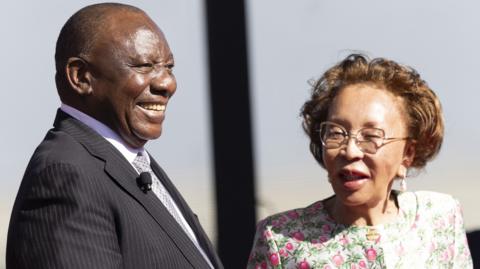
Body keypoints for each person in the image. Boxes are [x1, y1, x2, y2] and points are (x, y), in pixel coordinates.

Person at [7, 3, 223, 269]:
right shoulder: (68, 174)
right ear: (81, 76)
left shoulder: (129, 163)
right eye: (144, 66)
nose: (167, 84)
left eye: (169, 67)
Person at [247, 54, 473, 268]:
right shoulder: (281, 238)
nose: (350, 150)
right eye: (336, 133)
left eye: (371, 136)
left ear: (408, 153)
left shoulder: (440, 218)